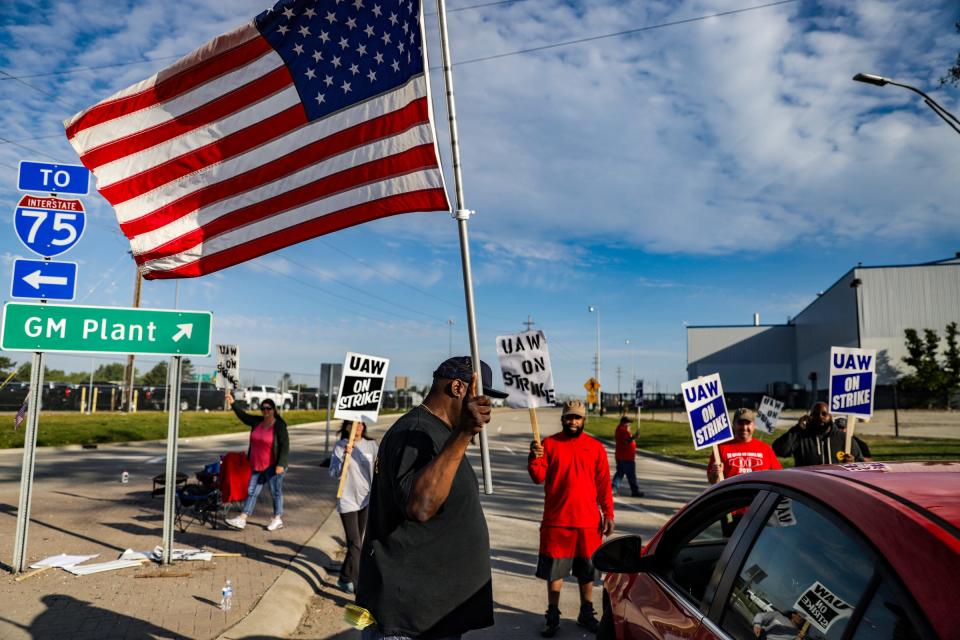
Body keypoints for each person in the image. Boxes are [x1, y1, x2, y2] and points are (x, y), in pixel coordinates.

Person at [356, 356, 508, 639]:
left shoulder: (440, 433)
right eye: (482, 397)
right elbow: (421, 505)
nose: (486, 408)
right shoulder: (414, 431)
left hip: (433, 617)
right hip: (410, 621)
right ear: (458, 388)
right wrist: (464, 433)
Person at [528, 399, 615, 638]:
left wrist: (608, 513)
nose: (573, 422)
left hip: (588, 523)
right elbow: (538, 476)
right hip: (557, 522)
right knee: (555, 573)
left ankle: (586, 612)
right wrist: (534, 456)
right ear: (562, 418)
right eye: (569, 417)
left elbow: (603, 484)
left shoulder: (595, 448)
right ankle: (553, 615)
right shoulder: (548, 444)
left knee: (587, 573)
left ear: (584, 420)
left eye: (577, 418)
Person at [223, 390, 289, 531]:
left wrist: (281, 464)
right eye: (263, 408)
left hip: (273, 466)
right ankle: (242, 518)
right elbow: (243, 416)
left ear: (274, 410)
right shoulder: (257, 422)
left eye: (268, 408)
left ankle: (277, 519)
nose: (265, 411)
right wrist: (233, 402)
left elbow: (285, 446)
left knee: (275, 492)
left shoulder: (279, 426)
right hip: (257, 465)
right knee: (251, 491)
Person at [330, 420, 378, 595]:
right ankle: (360, 589)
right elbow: (333, 473)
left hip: (365, 500)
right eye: (356, 424)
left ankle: (344, 577)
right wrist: (344, 458)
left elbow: (379, 469)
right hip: (347, 501)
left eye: (362, 424)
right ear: (348, 427)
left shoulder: (371, 445)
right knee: (356, 544)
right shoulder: (340, 446)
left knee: (355, 545)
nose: (359, 427)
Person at [772, 402, 864, 466]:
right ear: (810, 417)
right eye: (816, 414)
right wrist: (796, 429)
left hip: (837, 487)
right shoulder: (801, 437)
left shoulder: (844, 439)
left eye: (824, 414)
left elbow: (861, 465)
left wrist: (852, 464)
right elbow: (779, 450)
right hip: (809, 486)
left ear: (830, 416)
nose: (820, 417)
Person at [708, 408, 782, 484]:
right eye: (740, 423)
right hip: (731, 495)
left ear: (753, 425)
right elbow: (713, 482)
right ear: (734, 424)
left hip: (759, 495)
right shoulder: (721, 448)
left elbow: (779, 477)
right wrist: (715, 474)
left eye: (748, 423)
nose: (744, 427)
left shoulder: (766, 449)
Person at [612, 415, 644, 496]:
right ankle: (634, 491)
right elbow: (626, 441)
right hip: (625, 457)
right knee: (630, 475)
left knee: (620, 473)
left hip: (624, 456)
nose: (629, 425)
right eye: (628, 423)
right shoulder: (622, 430)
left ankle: (613, 489)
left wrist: (632, 435)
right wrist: (634, 437)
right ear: (623, 423)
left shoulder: (623, 430)